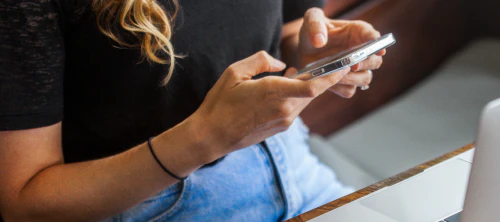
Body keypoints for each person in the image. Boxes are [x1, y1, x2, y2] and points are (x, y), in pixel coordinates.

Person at [0, 0, 385, 221]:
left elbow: (283, 27)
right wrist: (207, 137)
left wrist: (310, 50)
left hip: (297, 168)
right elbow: (22, 201)